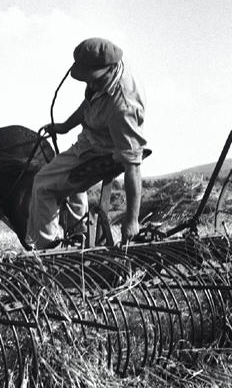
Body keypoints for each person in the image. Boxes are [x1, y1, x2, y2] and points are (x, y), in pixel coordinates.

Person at [26, 37, 148, 249]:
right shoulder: (106, 77)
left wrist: (132, 221)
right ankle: (78, 235)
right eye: (87, 79)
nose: (90, 84)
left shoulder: (123, 106)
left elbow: (133, 165)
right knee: (69, 183)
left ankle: (45, 254)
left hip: (102, 152)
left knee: (43, 185)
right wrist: (65, 126)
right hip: (92, 140)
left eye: (95, 80)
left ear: (110, 69)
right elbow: (89, 104)